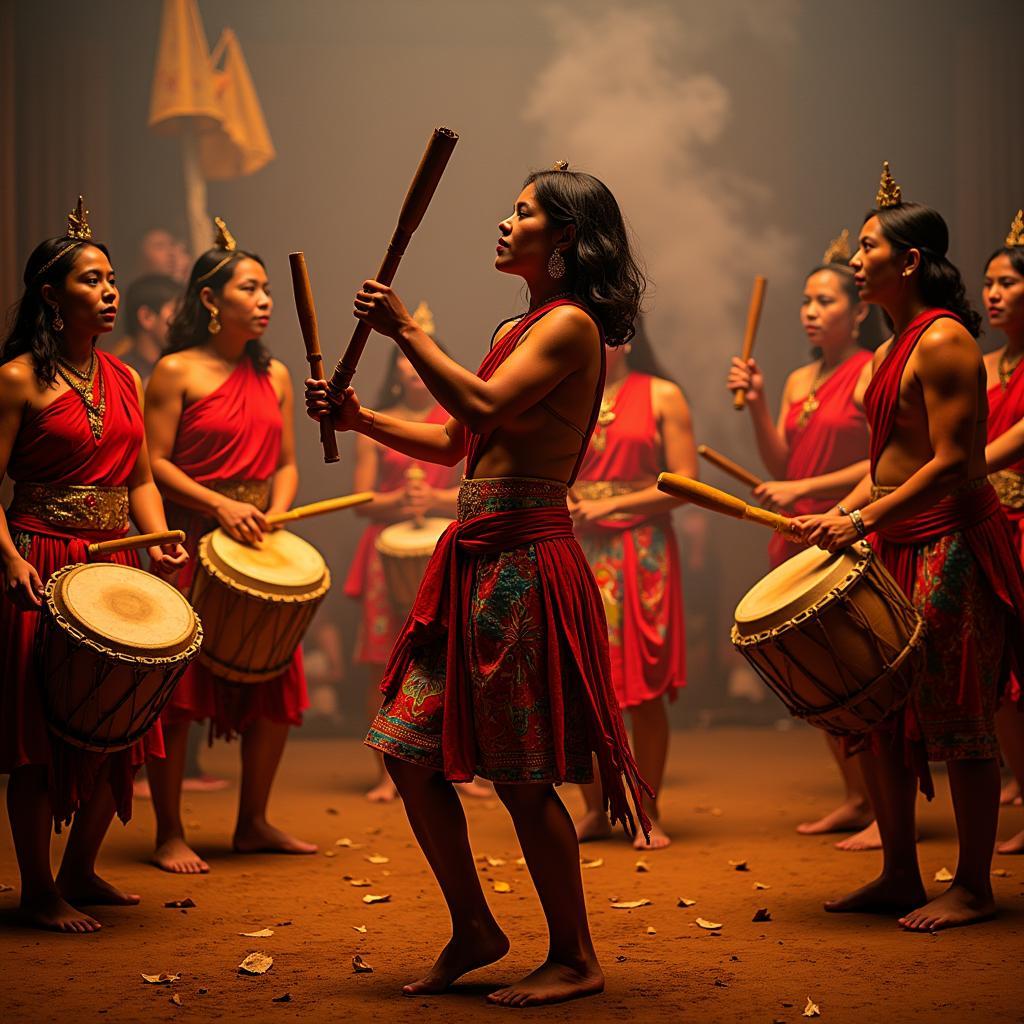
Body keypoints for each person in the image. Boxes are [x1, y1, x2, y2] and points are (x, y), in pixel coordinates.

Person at [306, 163, 650, 1007]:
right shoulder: (520, 322)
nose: (505, 222)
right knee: (406, 749)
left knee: (524, 777)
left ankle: (575, 956)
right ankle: (474, 927)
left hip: (525, 565)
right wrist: (360, 421)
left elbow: (484, 404)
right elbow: (457, 437)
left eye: (524, 213)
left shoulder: (571, 327)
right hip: (478, 559)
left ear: (565, 238)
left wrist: (402, 332)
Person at [796, 164, 1024, 932]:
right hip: (896, 539)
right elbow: (888, 463)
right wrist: (842, 510)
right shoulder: (893, 348)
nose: (856, 261)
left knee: (958, 715)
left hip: (951, 543)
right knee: (883, 714)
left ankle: (972, 885)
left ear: (910, 260)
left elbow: (956, 464)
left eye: (868, 248)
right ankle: (899, 873)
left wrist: (860, 522)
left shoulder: (946, 340)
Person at [0, 199, 187, 932]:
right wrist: (9, 555)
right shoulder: (16, 377)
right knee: (39, 735)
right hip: (41, 562)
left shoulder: (128, 378)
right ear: (51, 295)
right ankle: (41, 889)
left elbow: (139, 479)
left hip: (114, 565)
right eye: (92, 281)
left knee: (124, 722)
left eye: (112, 280)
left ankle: (82, 867)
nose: (111, 292)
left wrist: (161, 536)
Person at [143, 218, 316, 875]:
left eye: (268, 288)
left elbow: (291, 464)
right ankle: (168, 832)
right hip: (191, 542)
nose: (266, 298)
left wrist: (273, 511)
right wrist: (218, 504)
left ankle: (253, 822)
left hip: (256, 544)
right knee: (177, 692)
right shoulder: (175, 370)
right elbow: (154, 463)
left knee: (276, 683)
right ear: (211, 300)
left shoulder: (273, 376)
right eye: (251, 287)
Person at [727, 235, 883, 848]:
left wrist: (803, 489)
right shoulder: (796, 379)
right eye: (806, 301)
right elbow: (782, 461)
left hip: (849, 525)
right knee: (820, 676)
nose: (811, 312)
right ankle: (854, 797)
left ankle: (880, 807)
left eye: (825, 300)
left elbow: (881, 460)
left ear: (859, 309)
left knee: (861, 671)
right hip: (797, 532)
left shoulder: (871, 369)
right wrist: (761, 404)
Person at [570, 317, 695, 850]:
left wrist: (615, 504)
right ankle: (596, 809)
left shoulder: (663, 395)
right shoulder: (564, 391)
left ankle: (648, 809)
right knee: (580, 684)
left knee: (642, 687)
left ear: (625, 337)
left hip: (640, 551)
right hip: (575, 545)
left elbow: (685, 483)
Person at [345, 304, 462, 801]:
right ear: (393, 370)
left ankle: (457, 765)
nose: (412, 372)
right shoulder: (378, 422)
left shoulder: (460, 419)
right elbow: (362, 502)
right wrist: (396, 503)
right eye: (404, 364)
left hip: (443, 546)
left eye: (420, 363)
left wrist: (435, 501)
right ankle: (383, 771)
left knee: (450, 657)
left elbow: (476, 485)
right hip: (386, 553)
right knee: (382, 661)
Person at [981, 211, 1024, 855]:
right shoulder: (983, 362)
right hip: (988, 522)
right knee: (999, 675)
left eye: (1007, 283)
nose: (991, 293)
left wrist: (938, 473)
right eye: (986, 283)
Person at [110, 273, 180, 380]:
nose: (183, 321)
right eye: (175, 312)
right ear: (146, 317)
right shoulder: (120, 374)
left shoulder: (176, 368)